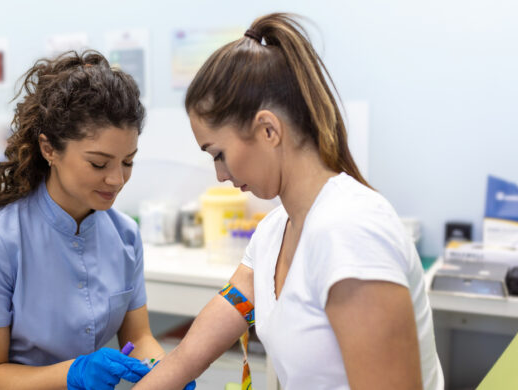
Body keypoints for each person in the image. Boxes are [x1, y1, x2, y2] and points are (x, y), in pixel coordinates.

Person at [134, 13, 444, 390]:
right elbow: (191, 354)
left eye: (218, 154)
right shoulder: (273, 233)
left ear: (268, 130)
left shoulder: (351, 231)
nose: (220, 174)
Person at [0, 50, 193, 390]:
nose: (117, 180)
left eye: (128, 162)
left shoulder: (125, 236)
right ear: (49, 149)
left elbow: (139, 337)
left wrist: (166, 373)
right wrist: (73, 373)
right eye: (98, 163)